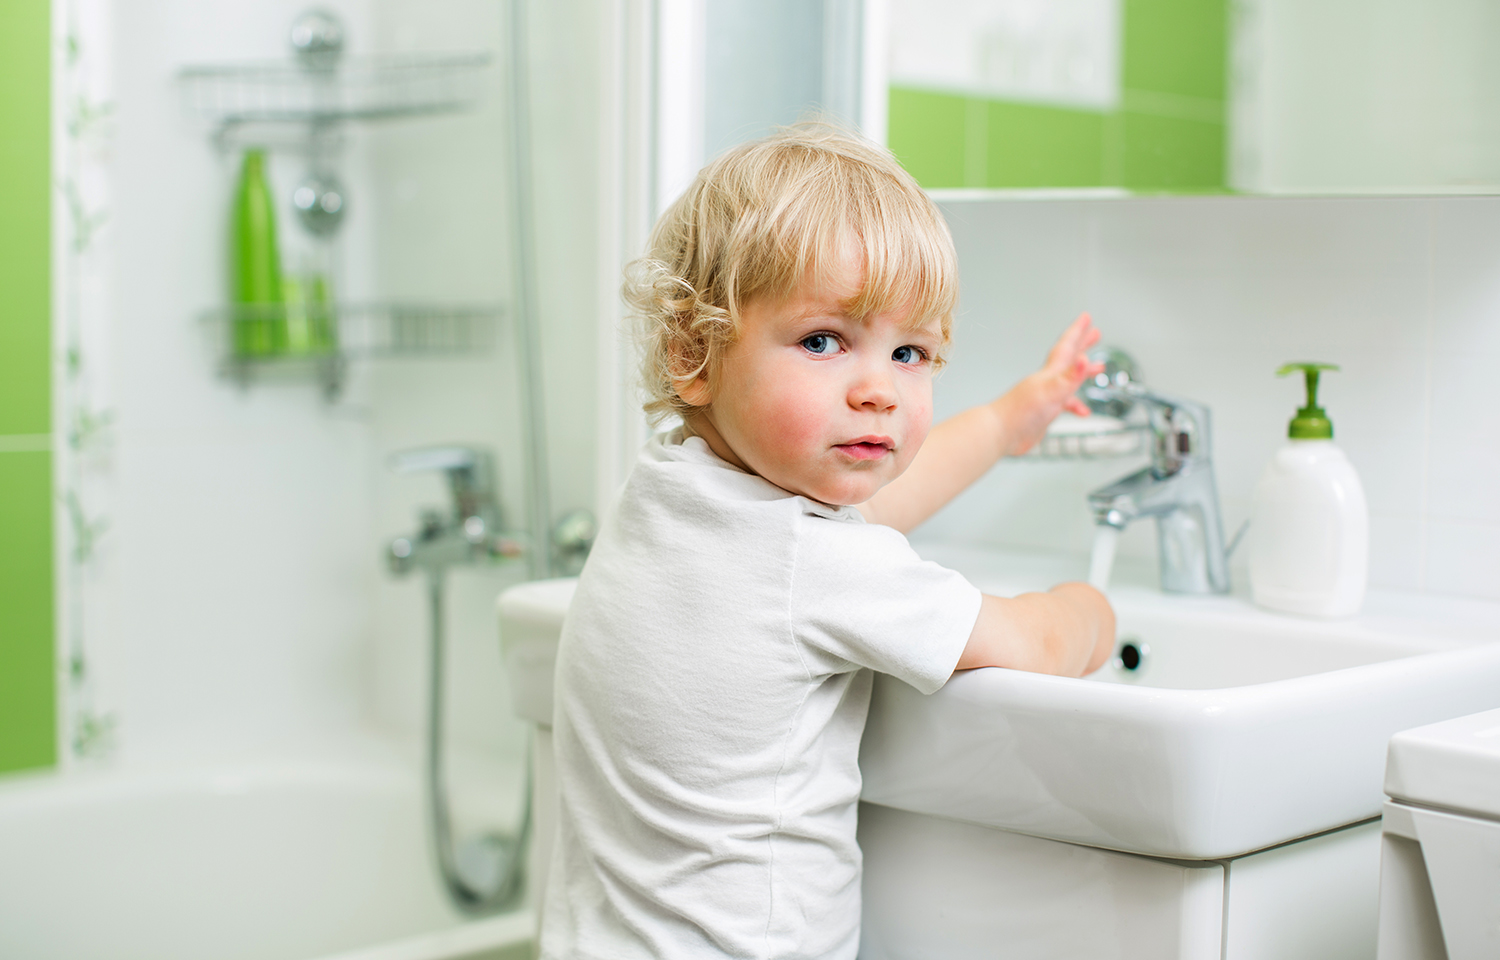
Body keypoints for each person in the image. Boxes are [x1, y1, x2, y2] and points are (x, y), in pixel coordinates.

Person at [540, 122, 1116, 960]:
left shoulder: (670, 498)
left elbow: (853, 525)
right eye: (823, 341)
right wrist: (1091, 611)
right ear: (693, 350)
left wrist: (1004, 421)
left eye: (911, 352)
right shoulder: (814, 566)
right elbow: (1032, 643)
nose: (879, 389)